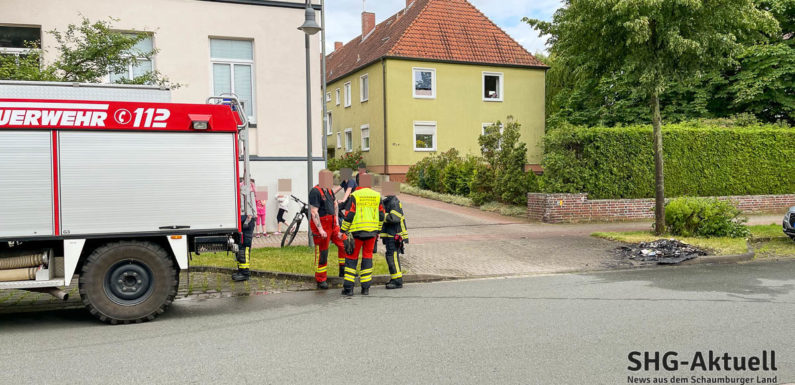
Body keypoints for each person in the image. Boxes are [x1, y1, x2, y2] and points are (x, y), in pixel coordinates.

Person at [340, 174, 385, 296]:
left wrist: (342, 231)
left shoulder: (355, 195)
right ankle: (365, 288)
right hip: (372, 234)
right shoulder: (377, 196)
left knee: (351, 259)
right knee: (367, 258)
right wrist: (378, 231)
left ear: (358, 182)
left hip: (357, 233)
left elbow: (349, 215)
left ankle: (348, 289)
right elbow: (382, 215)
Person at [309, 170, 349, 290]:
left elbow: (335, 204)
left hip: (332, 224)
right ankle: (321, 279)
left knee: (344, 244)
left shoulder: (329, 191)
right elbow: (313, 211)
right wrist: (320, 230)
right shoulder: (315, 191)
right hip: (322, 225)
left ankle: (343, 270)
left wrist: (337, 220)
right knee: (323, 252)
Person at [380, 182, 408, 289]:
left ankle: (397, 281)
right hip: (390, 234)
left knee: (393, 257)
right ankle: (394, 278)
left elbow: (394, 218)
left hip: (394, 235)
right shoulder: (389, 200)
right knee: (390, 256)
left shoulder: (394, 202)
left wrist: (382, 215)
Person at [233, 177, 257, 281]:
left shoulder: (248, 190)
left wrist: (247, 221)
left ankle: (245, 273)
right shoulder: (247, 189)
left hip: (247, 221)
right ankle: (241, 271)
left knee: (244, 247)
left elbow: (251, 207)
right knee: (240, 247)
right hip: (244, 220)